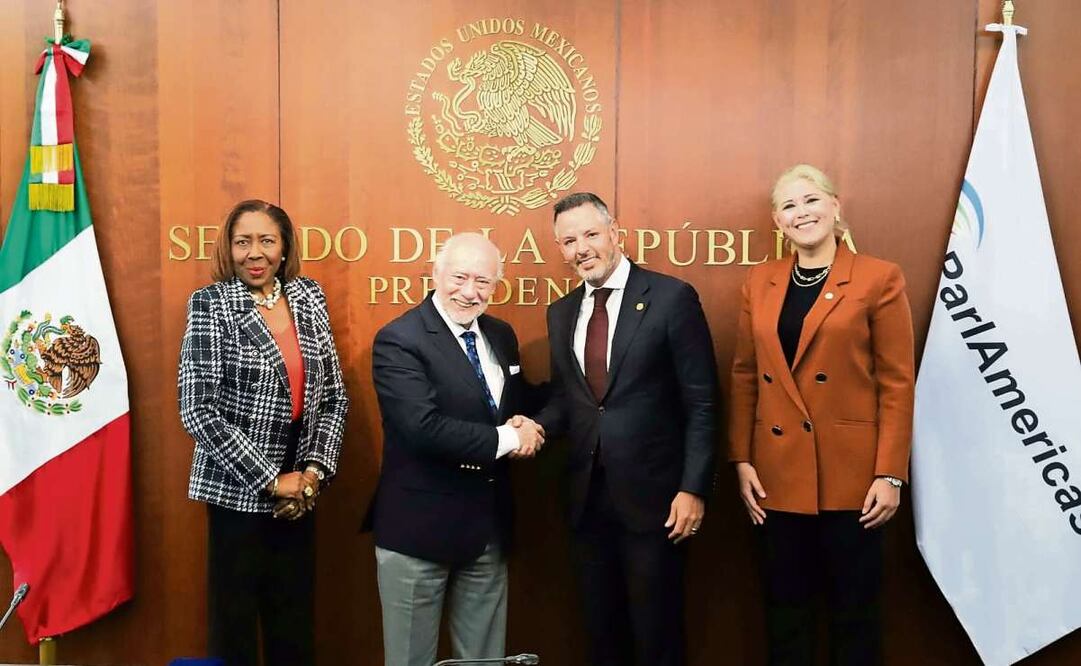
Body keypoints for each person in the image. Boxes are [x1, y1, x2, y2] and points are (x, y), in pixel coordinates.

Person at [728, 164, 915, 665]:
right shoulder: (759, 280)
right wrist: (741, 460)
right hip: (776, 477)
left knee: (855, 617)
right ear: (777, 221)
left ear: (835, 207)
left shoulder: (879, 277)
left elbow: (897, 384)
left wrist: (890, 474)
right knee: (786, 616)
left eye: (810, 200)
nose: (801, 213)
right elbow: (746, 375)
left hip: (854, 481)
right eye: (789, 206)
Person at [535, 192, 718, 666]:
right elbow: (569, 402)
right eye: (569, 240)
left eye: (591, 235)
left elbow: (701, 401)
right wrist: (531, 426)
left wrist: (693, 488)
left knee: (657, 637)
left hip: (657, 504)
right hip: (586, 501)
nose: (582, 249)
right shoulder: (561, 313)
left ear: (615, 232)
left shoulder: (671, 298)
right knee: (601, 636)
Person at [178, 199, 349, 666]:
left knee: (293, 626)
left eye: (266, 240)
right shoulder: (210, 304)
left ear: (284, 247)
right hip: (237, 489)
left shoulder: (309, 296)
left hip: (302, 488)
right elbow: (198, 410)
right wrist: (274, 480)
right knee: (233, 630)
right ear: (228, 249)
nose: (255, 252)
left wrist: (311, 473)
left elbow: (332, 396)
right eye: (242, 241)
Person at [364, 232, 545, 666]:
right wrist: (510, 438)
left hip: (487, 532)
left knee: (482, 662)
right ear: (435, 274)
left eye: (483, 281)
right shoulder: (399, 339)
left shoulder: (501, 335)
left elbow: (515, 405)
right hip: (416, 534)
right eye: (459, 277)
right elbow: (421, 428)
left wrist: (549, 419)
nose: (469, 292)